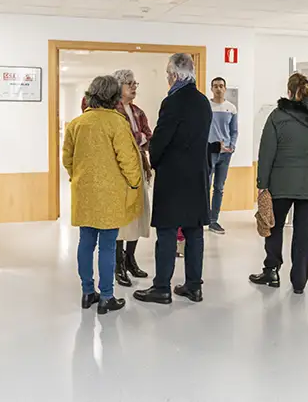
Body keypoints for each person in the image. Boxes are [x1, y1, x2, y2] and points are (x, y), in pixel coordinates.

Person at [249, 72, 308, 295]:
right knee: (304, 230)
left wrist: (262, 184)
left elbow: (267, 153)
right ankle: (300, 281)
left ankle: (271, 271)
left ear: (289, 91)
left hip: (281, 182)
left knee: (274, 225)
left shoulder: (277, 116)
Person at [134, 54, 212, 305]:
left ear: (176, 75)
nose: (167, 79)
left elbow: (162, 138)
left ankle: (161, 288)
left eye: (168, 74)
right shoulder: (203, 101)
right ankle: (193, 286)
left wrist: (152, 159)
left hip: (174, 177)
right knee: (194, 232)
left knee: (167, 232)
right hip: (198, 174)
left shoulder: (173, 102)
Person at [63, 75, 143, 314]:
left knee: (85, 242)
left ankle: (87, 293)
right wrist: (135, 183)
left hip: (84, 192)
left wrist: (78, 177)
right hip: (110, 194)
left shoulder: (76, 124)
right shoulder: (117, 123)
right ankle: (107, 296)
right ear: (114, 96)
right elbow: (127, 160)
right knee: (107, 246)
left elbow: (67, 159)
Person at [111, 69, 153, 287]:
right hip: (119, 172)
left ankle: (130, 260)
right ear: (118, 87)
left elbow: (148, 137)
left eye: (135, 83)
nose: (134, 87)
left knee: (138, 215)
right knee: (122, 220)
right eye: (129, 83)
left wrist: (140, 138)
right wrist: (140, 137)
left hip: (138, 167)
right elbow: (128, 139)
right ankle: (118, 265)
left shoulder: (138, 111)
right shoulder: (112, 111)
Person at [207, 77, 238, 234]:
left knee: (219, 187)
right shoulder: (207, 106)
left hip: (225, 154)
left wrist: (232, 146)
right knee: (206, 185)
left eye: (221, 86)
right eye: (215, 86)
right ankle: (202, 218)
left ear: (225, 88)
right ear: (211, 89)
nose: (218, 89)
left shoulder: (231, 108)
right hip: (209, 152)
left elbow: (234, 130)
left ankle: (214, 221)